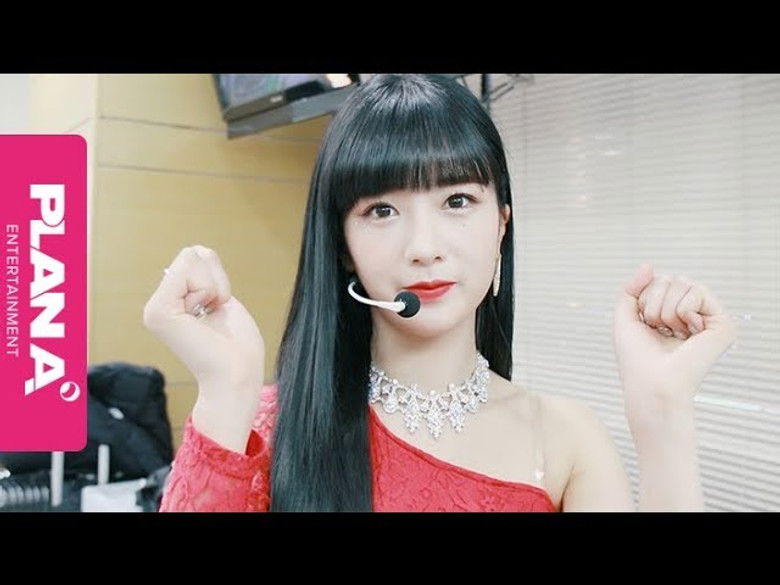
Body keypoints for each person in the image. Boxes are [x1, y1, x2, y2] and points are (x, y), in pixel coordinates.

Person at [142, 74, 738, 512]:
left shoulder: (566, 439)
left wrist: (663, 413)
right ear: (343, 245)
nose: (424, 247)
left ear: (501, 225)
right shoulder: (269, 427)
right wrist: (227, 390)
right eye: (381, 210)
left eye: (457, 201)